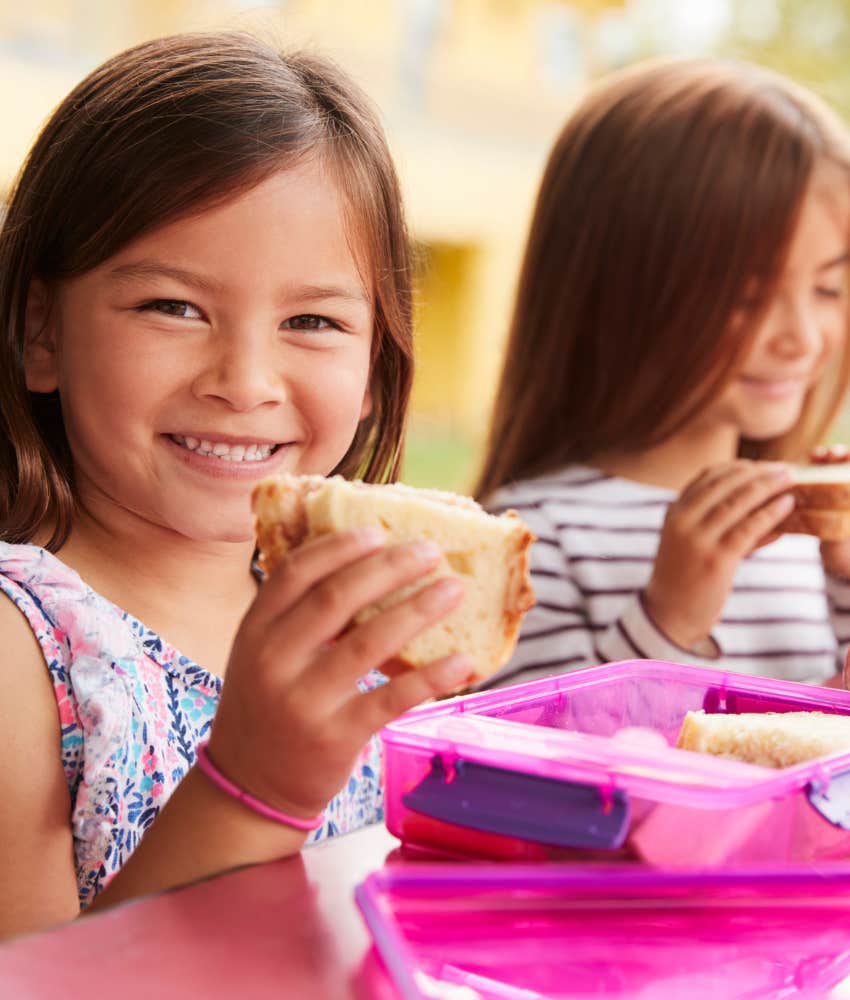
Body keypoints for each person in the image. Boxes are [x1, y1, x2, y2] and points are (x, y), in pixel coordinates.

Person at [0, 32, 475, 939]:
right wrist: (252, 788)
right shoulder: (24, 651)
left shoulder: (365, 623)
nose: (245, 379)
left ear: (376, 363)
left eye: (311, 319)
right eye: (172, 307)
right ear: (41, 333)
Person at [475, 57, 850, 690]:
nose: (803, 338)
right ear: (613, 291)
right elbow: (536, 771)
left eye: (829, 287)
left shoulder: (808, 548)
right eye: (749, 295)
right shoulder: (535, 537)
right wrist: (667, 619)